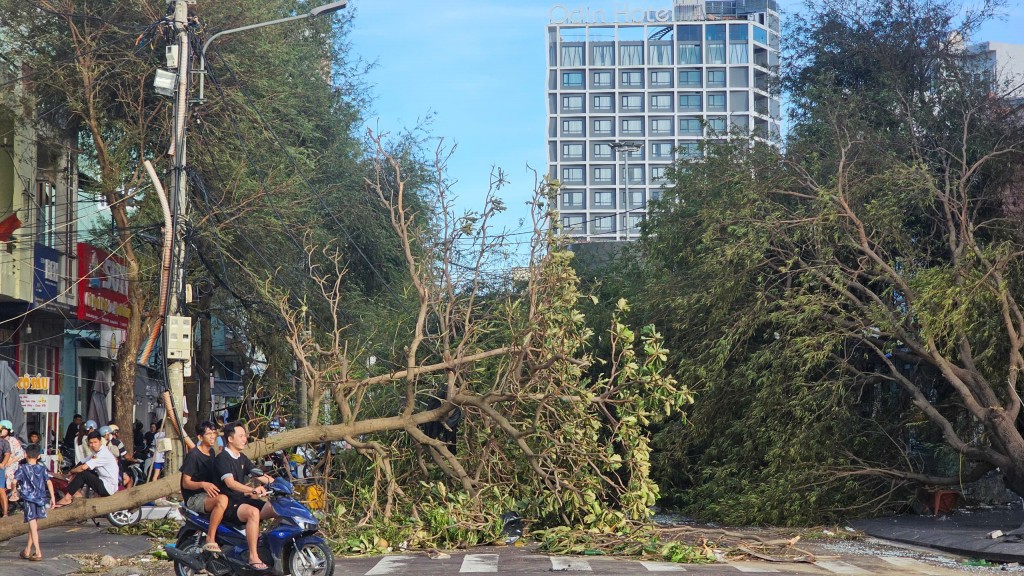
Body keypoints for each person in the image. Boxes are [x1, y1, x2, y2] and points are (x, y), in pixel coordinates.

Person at [215, 422, 276, 571]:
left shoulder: (242, 457)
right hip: (228, 504)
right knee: (253, 512)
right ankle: (253, 557)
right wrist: (252, 490)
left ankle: (263, 544)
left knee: (276, 508)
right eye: (241, 436)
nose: (245, 439)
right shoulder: (222, 458)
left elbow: (259, 475)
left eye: (245, 436)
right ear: (230, 439)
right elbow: (231, 484)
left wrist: (279, 484)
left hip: (241, 501)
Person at [180, 421, 228, 554]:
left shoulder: (212, 452)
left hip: (207, 495)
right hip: (194, 498)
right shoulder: (193, 455)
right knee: (222, 500)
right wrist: (203, 484)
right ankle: (210, 538)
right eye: (209, 434)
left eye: (214, 433)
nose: (213, 437)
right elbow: (185, 483)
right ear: (200, 437)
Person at [12, 444, 54, 561]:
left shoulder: (22, 468)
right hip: (41, 499)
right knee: (33, 526)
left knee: (33, 526)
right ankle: (27, 550)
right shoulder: (42, 469)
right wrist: (53, 497)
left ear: (25, 455)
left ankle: (38, 552)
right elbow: (49, 483)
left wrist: (14, 490)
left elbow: (14, 481)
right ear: (39, 456)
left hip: (29, 499)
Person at [53, 431, 119, 507]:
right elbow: (83, 461)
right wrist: (71, 473)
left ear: (100, 441)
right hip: (105, 482)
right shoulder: (97, 452)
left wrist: (72, 471)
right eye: (91, 443)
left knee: (83, 473)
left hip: (108, 487)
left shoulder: (102, 453)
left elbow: (83, 467)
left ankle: (67, 498)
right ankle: (76, 493)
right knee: (84, 470)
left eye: (95, 442)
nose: (93, 445)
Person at [0, 420, 25, 512]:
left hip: (12, 463)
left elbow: (19, 455)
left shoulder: (13, 440)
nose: (1, 431)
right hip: (2, 464)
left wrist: (7, 464)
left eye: (4, 429)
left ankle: (13, 492)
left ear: (9, 430)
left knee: (8, 472)